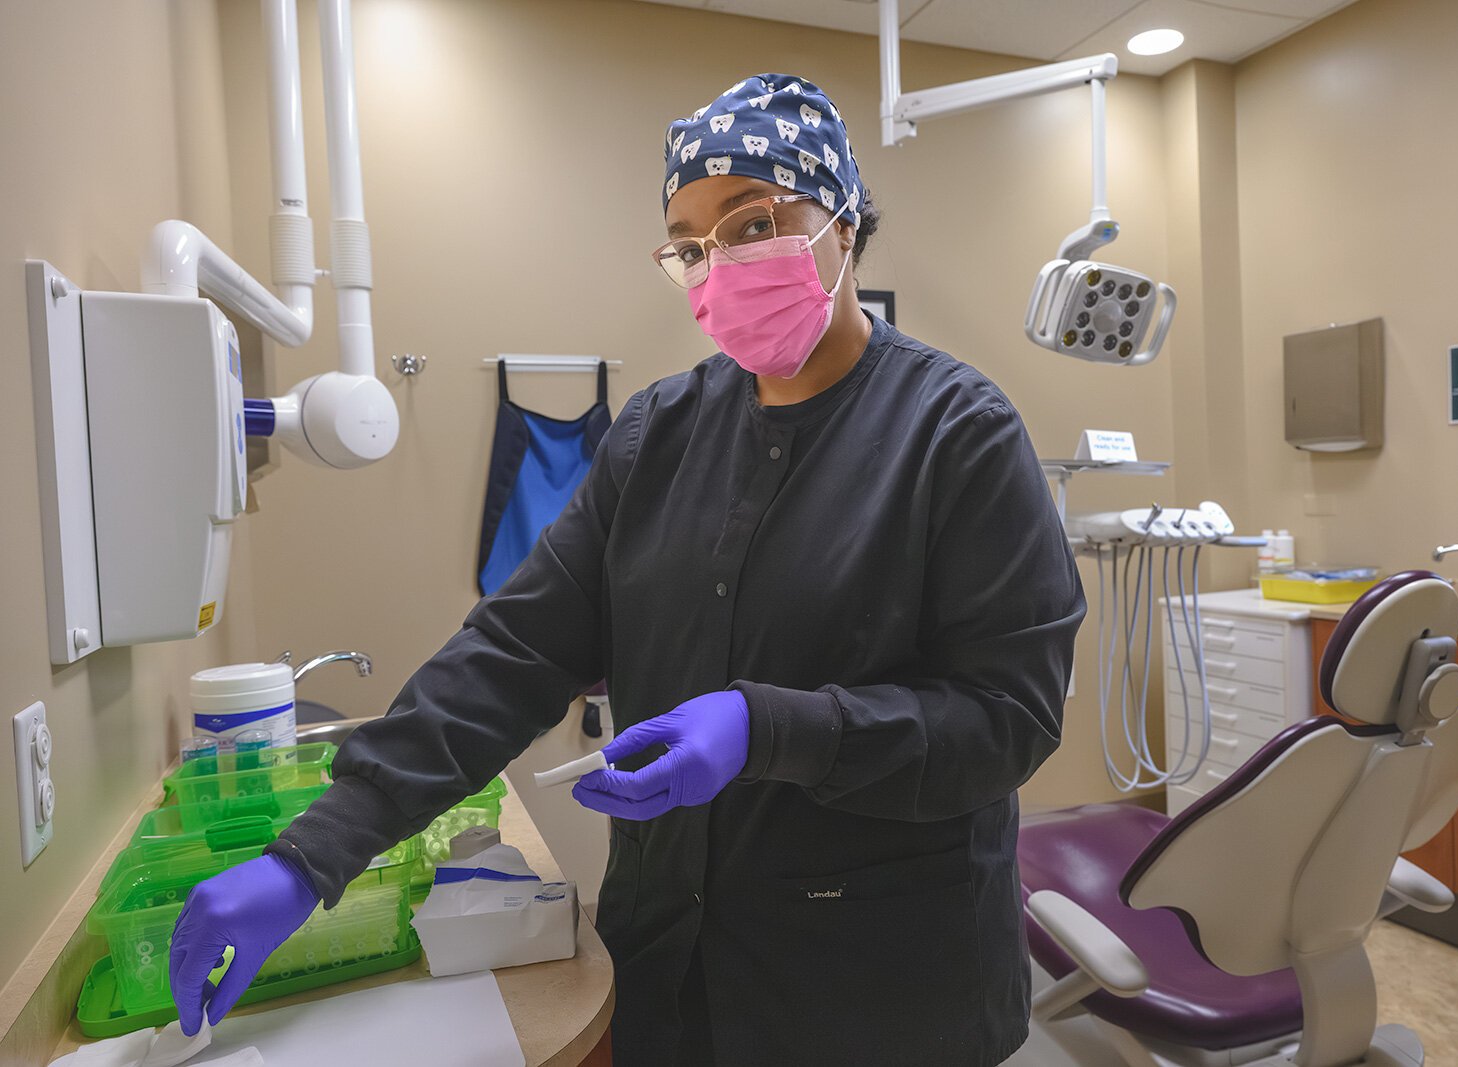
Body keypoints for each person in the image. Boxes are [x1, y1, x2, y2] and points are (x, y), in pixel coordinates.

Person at [168, 73, 1083, 1066]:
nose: (719, 264)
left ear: (844, 222)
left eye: (753, 223)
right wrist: (315, 850)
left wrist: (767, 726)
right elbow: (513, 652)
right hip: (670, 963)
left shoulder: (957, 433)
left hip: (879, 989)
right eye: (690, 245)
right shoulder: (657, 435)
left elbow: (1008, 717)